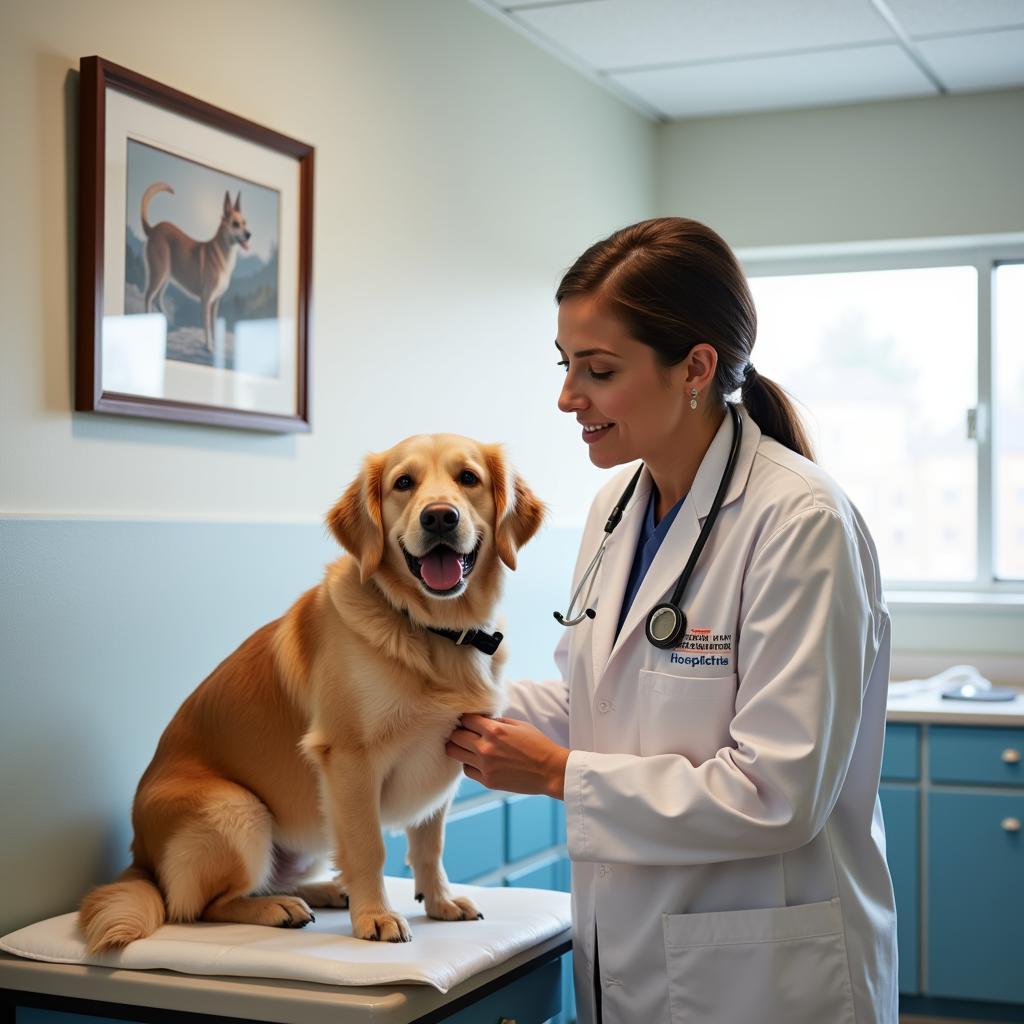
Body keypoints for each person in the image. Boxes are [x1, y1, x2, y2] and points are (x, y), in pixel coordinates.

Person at [445, 217, 897, 1024]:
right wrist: (440, 694)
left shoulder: (799, 521)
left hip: (762, 978)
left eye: (598, 369)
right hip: (632, 953)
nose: (566, 396)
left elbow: (776, 792)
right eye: (565, 365)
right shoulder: (614, 507)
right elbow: (601, 702)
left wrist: (556, 773)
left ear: (694, 367)